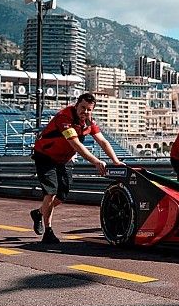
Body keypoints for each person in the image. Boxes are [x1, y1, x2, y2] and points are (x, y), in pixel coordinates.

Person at [30, 92, 123, 244]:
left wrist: (116, 161)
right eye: (83, 108)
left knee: (62, 195)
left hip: (64, 159)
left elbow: (103, 141)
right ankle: (48, 231)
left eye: (89, 109)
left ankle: (39, 212)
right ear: (76, 105)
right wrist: (96, 161)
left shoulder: (89, 122)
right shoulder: (64, 118)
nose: (85, 112)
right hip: (45, 156)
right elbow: (76, 145)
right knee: (51, 193)